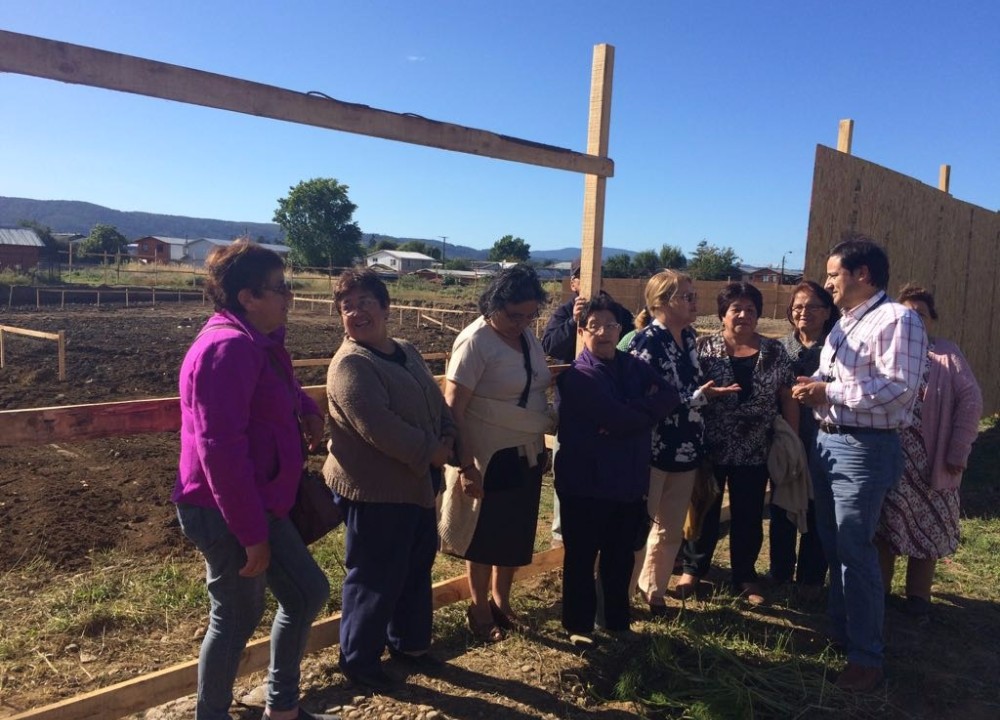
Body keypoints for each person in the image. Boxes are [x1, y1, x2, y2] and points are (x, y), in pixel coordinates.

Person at [173, 242, 336, 720]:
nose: (288, 296)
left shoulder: (258, 339)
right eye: (279, 288)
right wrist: (251, 535)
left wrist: (306, 409)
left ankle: (281, 706)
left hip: (256, 500)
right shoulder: (226, 349)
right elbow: (219, 452)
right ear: (248, 296)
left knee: (307, 592)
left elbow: (280, 384)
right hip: (224, 508)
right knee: (236, 616)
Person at [793, 234, 927, 692]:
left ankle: (866, 657)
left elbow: (898, 388)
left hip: (864, 449)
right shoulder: (846, 323)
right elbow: (840, 378)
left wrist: (826, 392)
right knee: (836, 547)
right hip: (830, 443)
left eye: (834, 274)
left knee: (855, 551)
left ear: (862, 274)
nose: (828, 283)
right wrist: (813, 382)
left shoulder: (898, 320)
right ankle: (844, 632)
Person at [324, 269, 457, 689]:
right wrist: (432, 451)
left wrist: (448, 433)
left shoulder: (406, 349)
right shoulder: (350, 365)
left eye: (365, 302)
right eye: (347, 307)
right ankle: (360, 660)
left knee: (416, 565)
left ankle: (410, 645)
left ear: (385, 307)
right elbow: (378, 427)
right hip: (375, 490)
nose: (357, 312)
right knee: (374, 574)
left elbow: (434, 399)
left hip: (418, 483)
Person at [440, 264, 556, 642]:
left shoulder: (528, 339)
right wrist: (465, 464)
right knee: (485, 535)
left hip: (523, 452)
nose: (520, 322)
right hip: (488, 454)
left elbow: (535, 391)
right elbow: (454, 408)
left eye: (529, 315)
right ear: (494, 303)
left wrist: (539, 444)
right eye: (513, 315)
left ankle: (502, 602)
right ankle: (479, 609)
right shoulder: (475, 341)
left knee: (515, 532)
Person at [556, 295, 679, 644]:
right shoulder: (578, 376)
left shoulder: (631, 365)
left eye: (611, 325)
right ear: (582, 331)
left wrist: (629, 412)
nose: (604, 332)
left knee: (620, 556)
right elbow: (617, 419)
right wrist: (634, 414)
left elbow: (668, 395)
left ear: (620, 329)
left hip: (627, 480)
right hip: (585, 483)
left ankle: (615, 622)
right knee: (581, 557)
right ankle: (578, 626)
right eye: (595, 325)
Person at [678, 282, 798, 605]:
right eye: (736, 309)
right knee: (703, 509)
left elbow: (786, 396)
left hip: (756, 447)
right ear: (722, 315)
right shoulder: (703, 348)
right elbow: (688, 393)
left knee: (748, 514)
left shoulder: (775, 352)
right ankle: (693, 569)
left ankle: (745, 576)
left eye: (750, 310)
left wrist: (792, 439)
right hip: (710, 445)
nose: (744, 315)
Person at [627, 271, 739, 614]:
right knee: (638, 527)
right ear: (661, 303)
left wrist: (701, 397)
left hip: (686, 447)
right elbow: (642, 399)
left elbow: (686, 391)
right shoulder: (645, 343)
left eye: (694, 296)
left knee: (670, 527)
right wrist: (695, 398)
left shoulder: (688, 339)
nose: (695, 303)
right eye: (687, 297)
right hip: (653, 448)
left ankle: (654, 591)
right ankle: (624, 593)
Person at [876, 285, 982, 620]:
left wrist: (958, 451)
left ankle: (918, 597)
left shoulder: (946, 354)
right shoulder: (885, 352)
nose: (913, 320)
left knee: (930, 527)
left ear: (931, 320)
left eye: (920, 314)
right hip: (890, 460)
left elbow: (971, 402)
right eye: (906, 314)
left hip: (933, 461)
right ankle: (878, 592)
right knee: (884, 527)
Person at [541, 265, 634, 547]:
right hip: (572, 406)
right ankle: (561, 535)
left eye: (597, 274)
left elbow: (629, 341)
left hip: (611, 401)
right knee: (568, 469)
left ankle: (603, 529)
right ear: (574, 283)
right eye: (585, 275)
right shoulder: (564, 312)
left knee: (605, 472)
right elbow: (550, 345)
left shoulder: (615, 311)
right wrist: (573, 322)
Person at [768, 281, 839, 602]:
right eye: (797, 306)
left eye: (812, 306)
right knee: (783, 504)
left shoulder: (840, 349)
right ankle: (780, 573)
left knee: (818, 508)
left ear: (827, 312)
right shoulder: (779, 348)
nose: (803, 312)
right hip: (786, 441)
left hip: (826, 441)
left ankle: (811, 577)